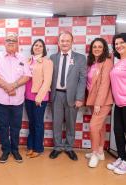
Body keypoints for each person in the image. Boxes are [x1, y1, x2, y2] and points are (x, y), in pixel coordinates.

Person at [0, 32, 31, 163]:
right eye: (8, 40)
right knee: (3, 126)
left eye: (13, 40)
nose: (11, 42)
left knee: (16, 126)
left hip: (17, 100)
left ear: (17, 43)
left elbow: (27, 76)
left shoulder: (22, 58)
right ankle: (5, 150)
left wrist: (14, 85)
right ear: (4, 43)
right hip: (1, 100)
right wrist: (7, 86)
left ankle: (15, 150)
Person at [49, 31, 87, 161]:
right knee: (56, 123)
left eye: (67, 41)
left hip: (73, 97)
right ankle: (57, 147)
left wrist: (80, 97)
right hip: (56, 95)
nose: (64, 43)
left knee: (71, 123)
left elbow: (83, 79)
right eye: (62, 41)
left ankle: (69, 147)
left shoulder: (80, 58)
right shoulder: (52, 58)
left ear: (72, 42)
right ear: (58, 43)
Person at [85, 38, 113, 168]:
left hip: (102, 101)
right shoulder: (91, 63)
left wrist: (98, 103)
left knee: (93, 127)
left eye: (99, 47)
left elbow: (104, 84)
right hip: (92, 99)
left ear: (104, 49)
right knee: (100, 127)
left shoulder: (107, 62)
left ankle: (95, 153)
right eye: (94, 46)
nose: (96, 49)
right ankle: (101, 151)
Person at [25, 39, 53, 158]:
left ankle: (38, 148)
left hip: (39, 98)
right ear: (32, 47)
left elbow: (47, 81)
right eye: (36, 45)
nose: (37, 47)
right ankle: (30, 146)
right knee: (31, 122)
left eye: (40, 46)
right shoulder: (28, 61)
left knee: (38, 123)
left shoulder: (47, 62)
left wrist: (39, 97)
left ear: (43, 48)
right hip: (28, 96)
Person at [108, 33, 126, 175]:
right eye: (116, 44)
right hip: (118, 103)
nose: (119, 46)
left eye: (122, 43)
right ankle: (122, 157)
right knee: (118, 132)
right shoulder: (119, 62)